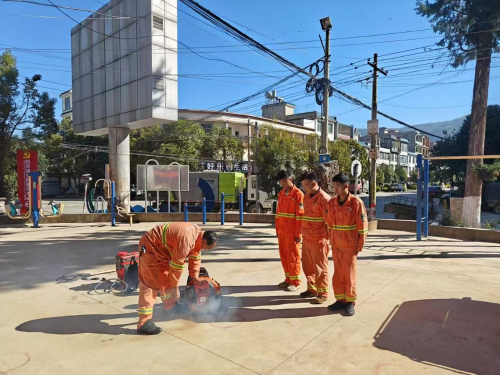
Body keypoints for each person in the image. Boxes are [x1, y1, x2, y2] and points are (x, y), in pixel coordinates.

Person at [136, 222, 218, 335]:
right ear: (204, 241)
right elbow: (177, 264)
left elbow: (195, 256)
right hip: (150, 248)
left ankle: (170, 306)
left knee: (165, 280)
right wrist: (175, 288)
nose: (206, 250)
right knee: (150, 284)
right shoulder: (186, 239)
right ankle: (144, 322)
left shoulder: (197, 235)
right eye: (207, 248)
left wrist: (195, 277)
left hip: (162, 252)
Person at [323, 173, 368, 316]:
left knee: (349, 274)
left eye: (337, 186)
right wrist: (330, 240)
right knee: (338, 274)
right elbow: (329, 224)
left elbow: (362, 226)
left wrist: (360, 244)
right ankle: (340, 299)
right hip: (336, 245)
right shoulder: (331, 203)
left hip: (350, 245)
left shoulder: (356, 203)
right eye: (333, 186)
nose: (335, 189)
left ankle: (350, 302)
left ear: (346, 186)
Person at [299, 172, 331, 304]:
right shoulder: (306, 197)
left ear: (314, 183)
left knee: (320, 267)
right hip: (307, 237)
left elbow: (329, 222)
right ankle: (311, 288)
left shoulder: (324, 199)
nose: (304, 188)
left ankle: (322, 292)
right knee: (308, 265)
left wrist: (326, 238)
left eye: (306, 185)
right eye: (303, 185)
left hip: (319, 238)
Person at [275, 170, 304, 292]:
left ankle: (295, 281)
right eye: (281, 182)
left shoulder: (298, 194)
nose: (283, 184)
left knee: (293, 257)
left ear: (290, 180)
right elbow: (278, 214)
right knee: (284, 256)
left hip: (292, 233)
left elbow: (300, 216)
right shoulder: (281, 194)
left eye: (284, 181)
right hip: (282, 231)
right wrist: (277, 229)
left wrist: (298, 233)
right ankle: (288, 279)